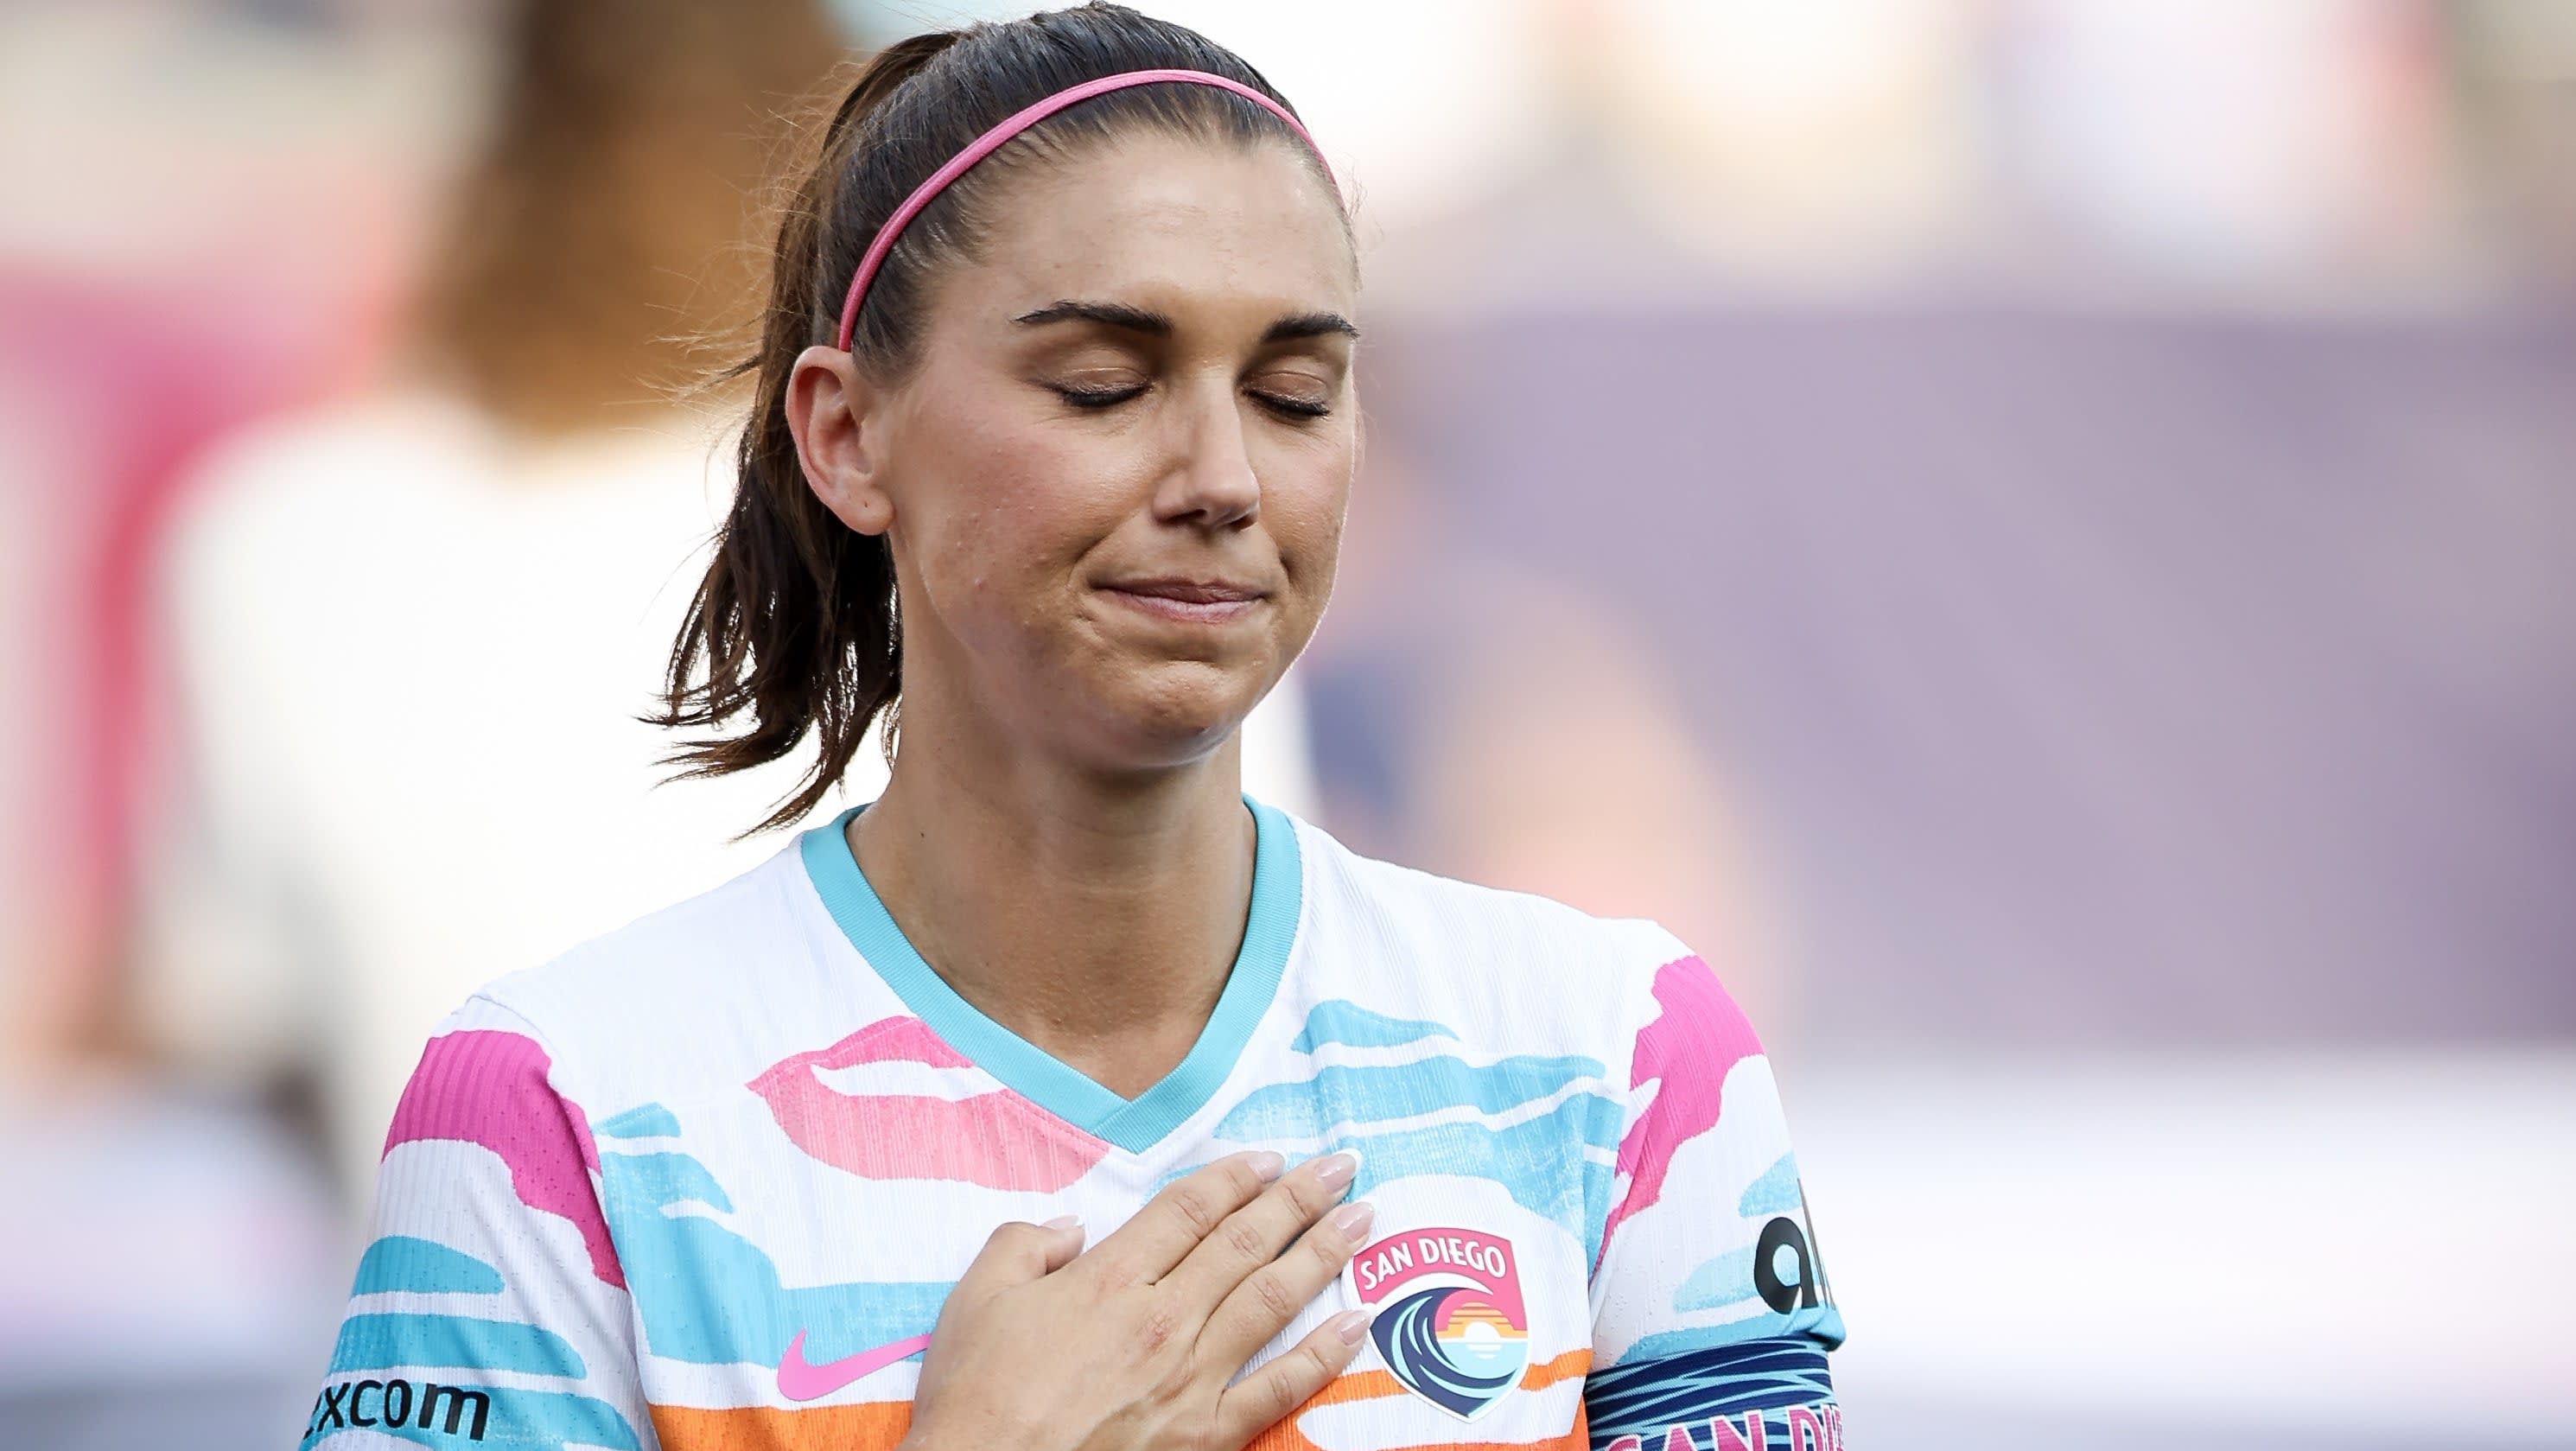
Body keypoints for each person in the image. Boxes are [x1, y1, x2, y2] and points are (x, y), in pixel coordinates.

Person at [296, 8, 1843, 1451]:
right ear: (846, 433)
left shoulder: (1616, 1056)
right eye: (1106, 384)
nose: (1222, 475)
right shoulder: (556, 1104)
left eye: (1297, 393)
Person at [129, 0, 1325, 1201]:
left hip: (485, 1333)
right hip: (1026, 1320)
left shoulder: (285, 532)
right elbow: (1250, 967)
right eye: (1102, 383)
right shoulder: (1017, 503)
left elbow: (230, 1020)